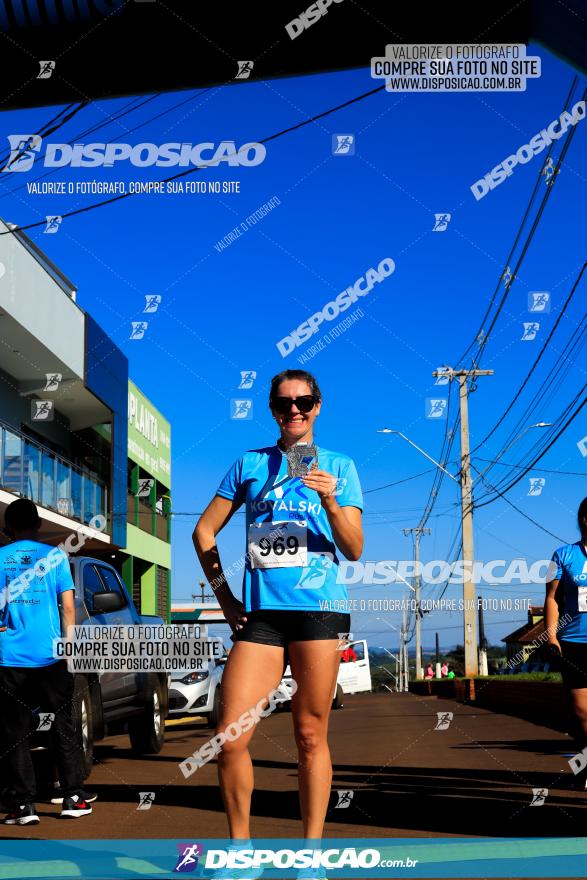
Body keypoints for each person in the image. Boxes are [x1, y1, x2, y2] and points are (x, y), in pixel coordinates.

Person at [193, 369, 363, 859]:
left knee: (310, 735)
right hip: (262, 616)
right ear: (272, 408)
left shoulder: (340, 466)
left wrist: (329, 499)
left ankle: (310, 858)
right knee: (230, 738)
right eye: (284, 403)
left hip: (319, 614)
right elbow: (203, 534)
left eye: (304, 401)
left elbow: (353, 549)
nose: (295, 410)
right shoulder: (249, 464)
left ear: (318, 405)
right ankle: (240, 854)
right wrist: (226, 600)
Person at [0, 498, 93, 824]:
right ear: (38, 525)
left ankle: (23, 806)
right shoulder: (55, 557)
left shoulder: (0, 558)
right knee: (62, 728)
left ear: (8, 527)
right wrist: (69, 651)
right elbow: (68, 608)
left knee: (15, 733)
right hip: (51, 658)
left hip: (11, 659)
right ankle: (73, 797)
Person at [545, 496, 587, 788]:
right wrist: (550, 634)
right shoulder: (562, 555)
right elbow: (550, 598)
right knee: (581, 712)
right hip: (574, 642)